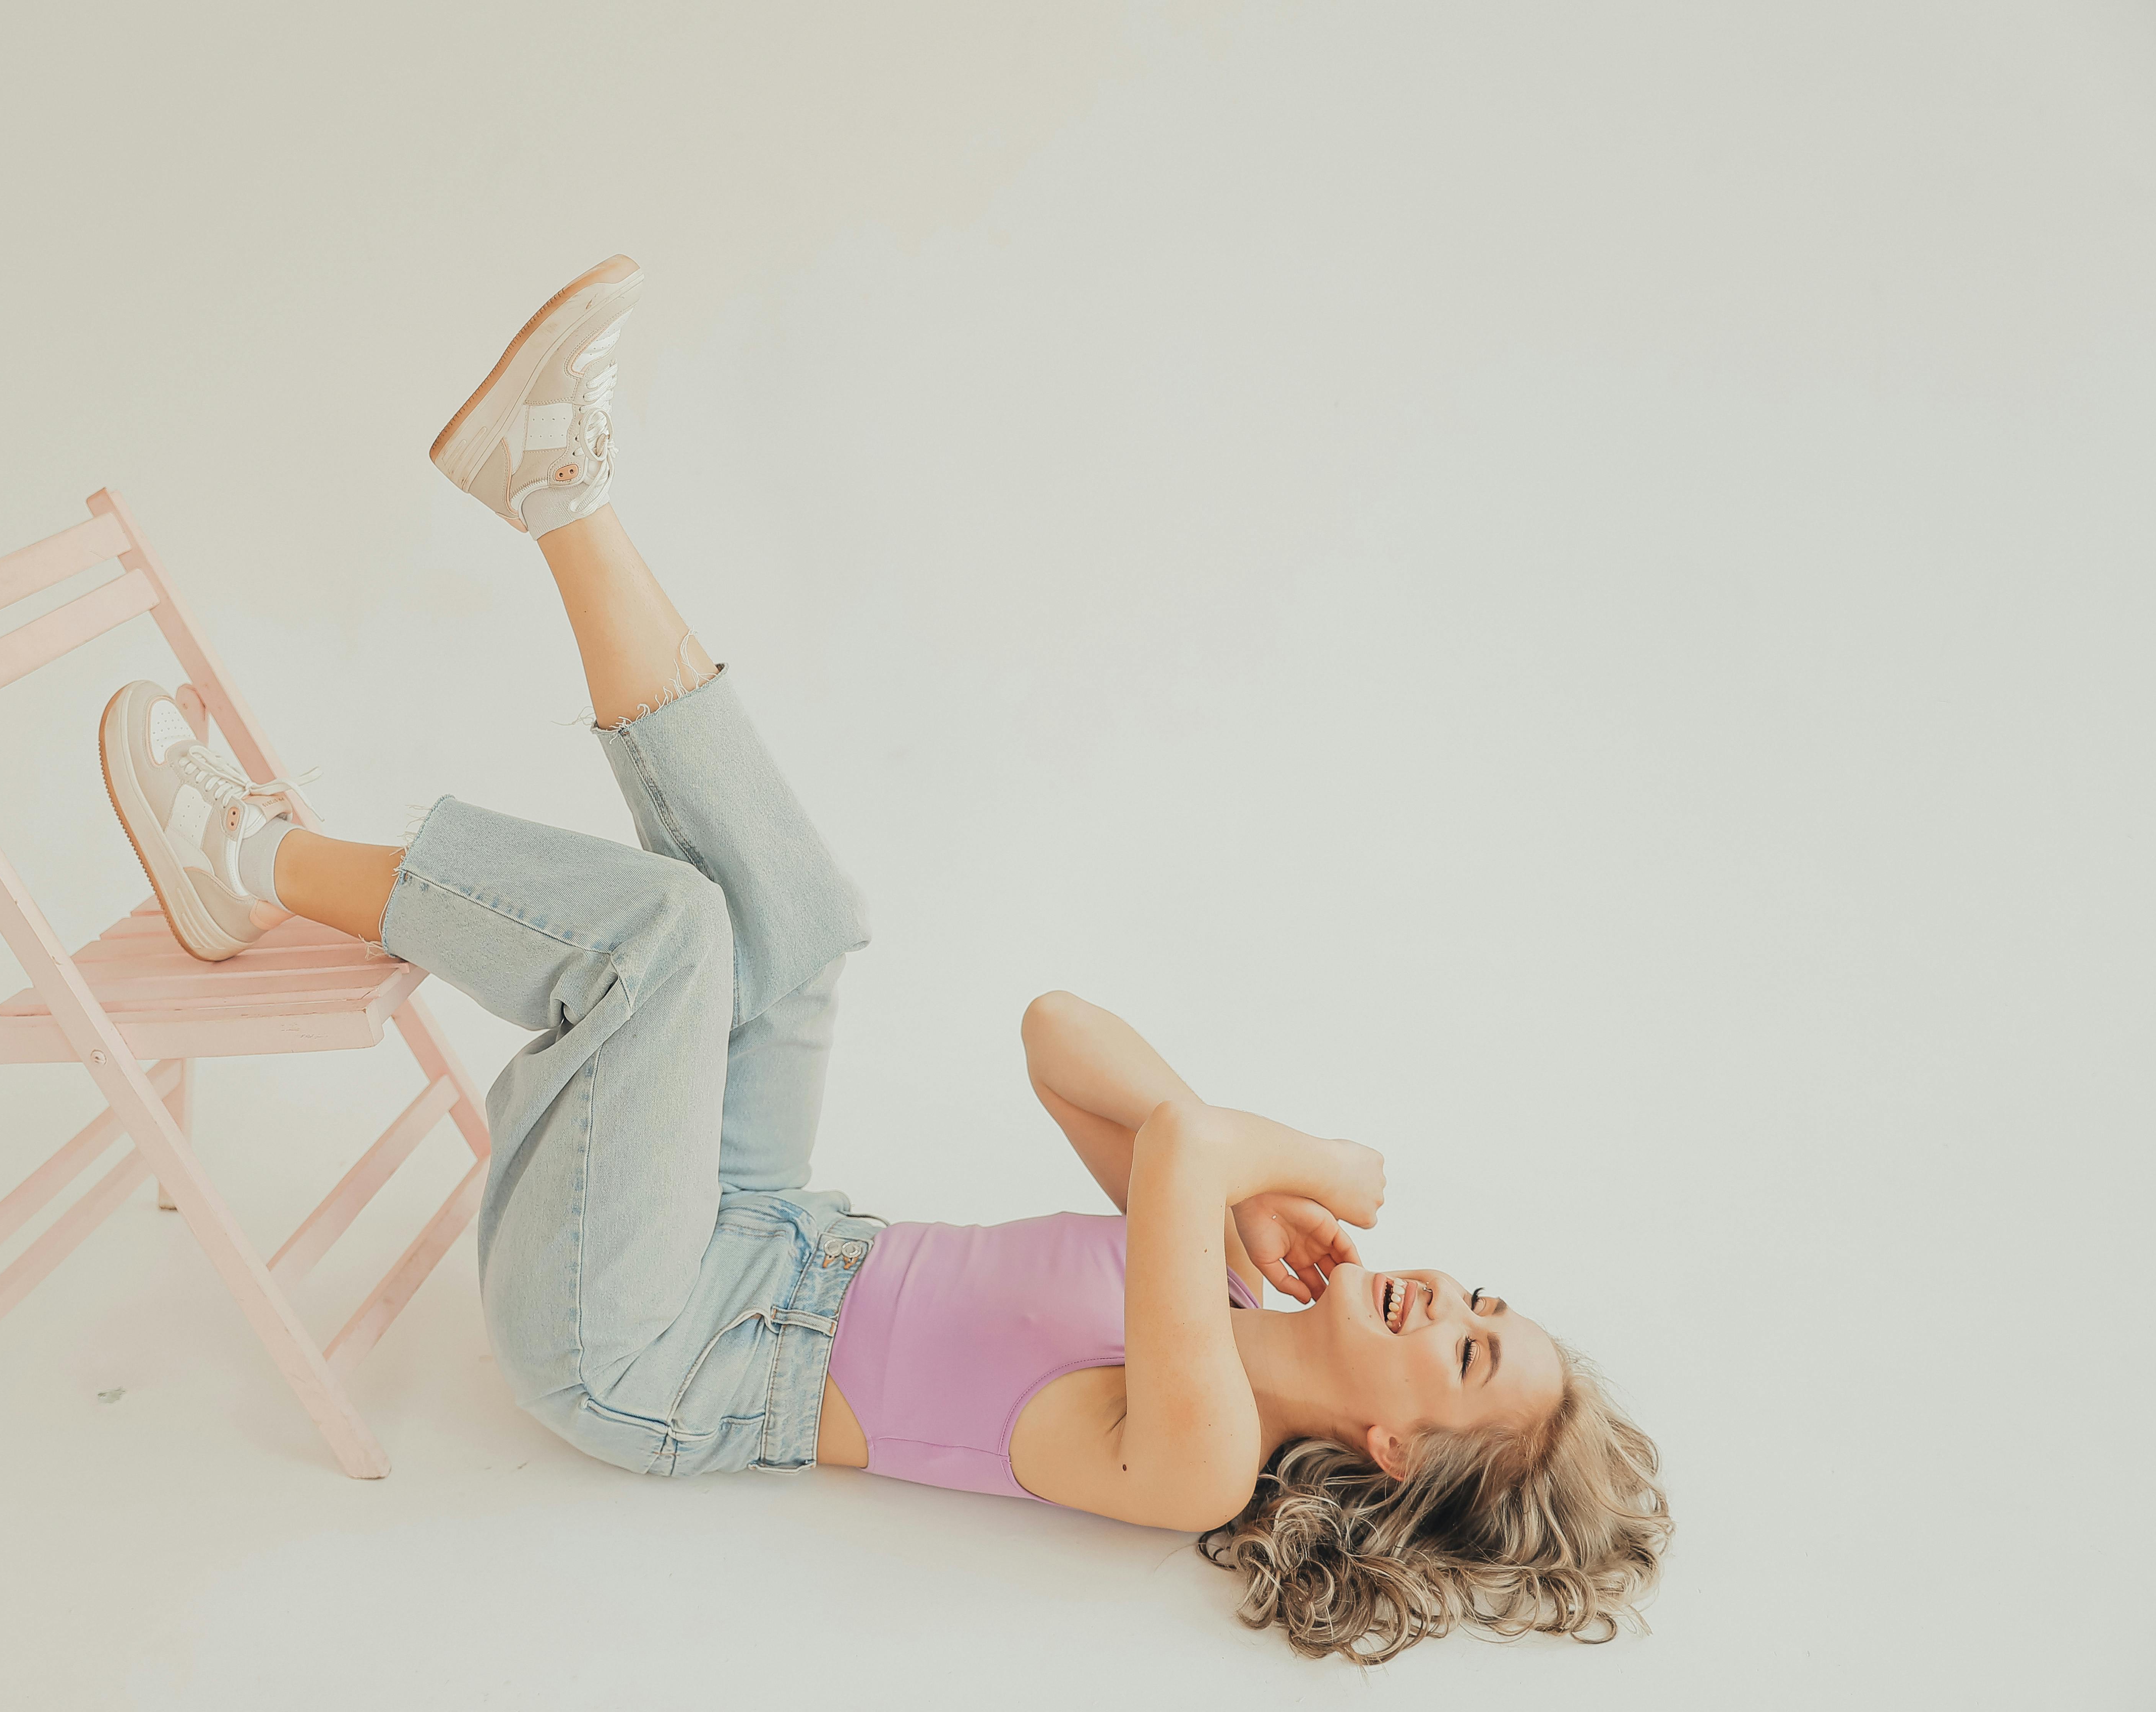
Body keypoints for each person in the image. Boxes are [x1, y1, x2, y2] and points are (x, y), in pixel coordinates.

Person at [95, 256, 1673, 1663]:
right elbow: (1060, 1034)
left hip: (644, 1351)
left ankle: (250, 871)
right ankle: (557, 490)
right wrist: (1256, 1200)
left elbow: (1186, 1144)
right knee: (797, 915)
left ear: (1400, 1445)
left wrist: (1319, 1156)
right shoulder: (1218, 1262)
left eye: (1465, 1347)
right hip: (761, 1231)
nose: (1442, 1294)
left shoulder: (1209, 1447)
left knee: (669, 935)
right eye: (1481, 1294)